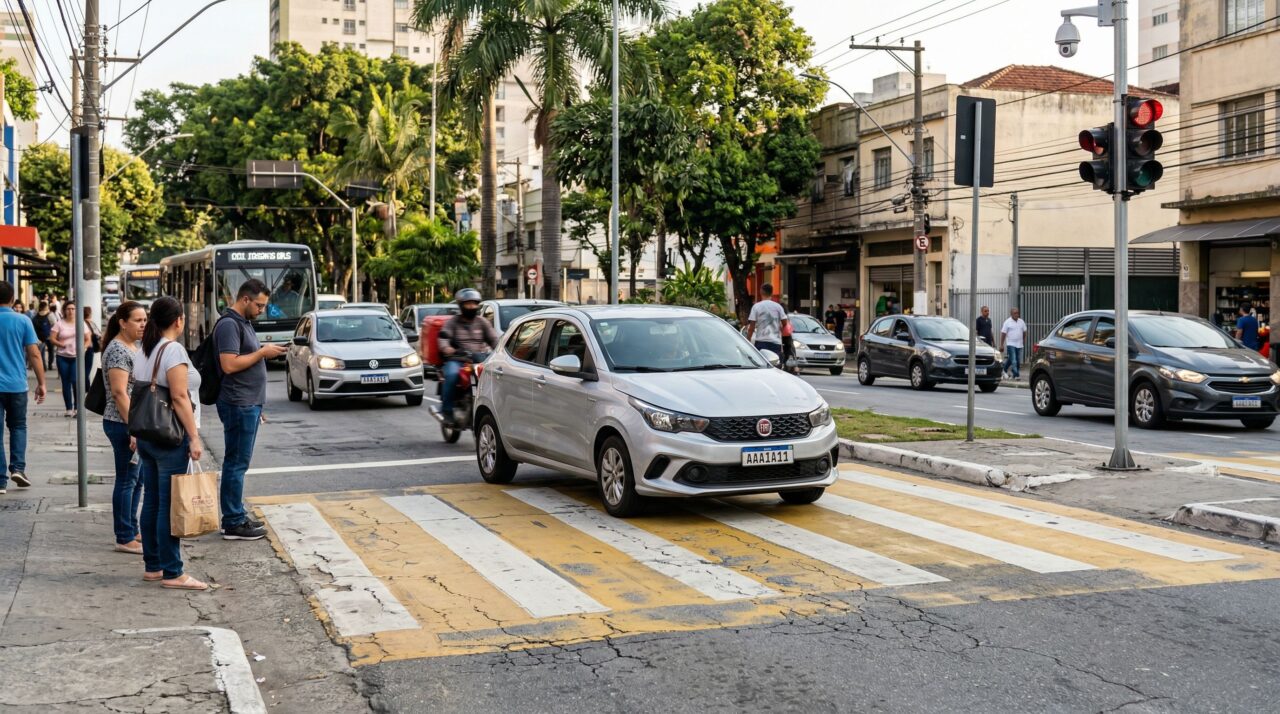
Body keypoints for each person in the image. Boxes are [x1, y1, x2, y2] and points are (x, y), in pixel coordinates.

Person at [133, 296, 208, 591]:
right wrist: (193, 436)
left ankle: (153, 566)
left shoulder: (145, 350)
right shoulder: (172, 350)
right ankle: (173, 571)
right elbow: (178, 397)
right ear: (178, 320)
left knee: (151, 501)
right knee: (168, 505)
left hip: (147, 437)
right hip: (170, 436)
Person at [214, 279, 286, 541]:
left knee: (239, 463)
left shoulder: (243, 323)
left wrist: (258, 404)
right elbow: (229, 365)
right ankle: (232, 522)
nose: (262, 310)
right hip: (238, 403)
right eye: (259, 305)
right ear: (245, 299)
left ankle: (236, 515)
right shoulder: (229, 324)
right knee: (235, 463)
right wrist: (263, 353)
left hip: (248, 403)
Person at [102, 301, 147, 554]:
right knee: (127, 480)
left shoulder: (132, 346)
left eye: (144, 320)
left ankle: (132, 528)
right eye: (138, 320)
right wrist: (134, 429)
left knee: (137, 479)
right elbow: (120, 393)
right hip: (122, 423)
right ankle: (123, 536)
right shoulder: (118, 350)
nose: (143, 324)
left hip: (131, 421)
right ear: (122, 322)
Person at [0, 281, 46, 495]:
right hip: (16, 385)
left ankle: (0, 481)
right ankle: (18, 468)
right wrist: (42, 383)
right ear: (12, 300)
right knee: (18, 426)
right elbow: (34, 353)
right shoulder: (23, 320)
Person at [437, 288, 498, 426]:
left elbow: (494, 340)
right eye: (468, 304)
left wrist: (500, 351)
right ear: (461, 305)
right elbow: (443, 339)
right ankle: (447, 411)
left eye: (474, 303)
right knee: (451, 375)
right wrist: (449, 349)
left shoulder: (482, 322)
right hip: (457, 360)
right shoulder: (452, 322)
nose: (471, 306)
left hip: (478, 360)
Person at [50, 301, 89, 416]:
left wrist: (84, 348)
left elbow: (88, 338)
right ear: (64, 310)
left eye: (73, 309)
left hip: (76, 357)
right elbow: (52, 338)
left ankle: (77, 408)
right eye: (68, 309)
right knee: (65, 382)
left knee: (75, 381)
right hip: (62, 356)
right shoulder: (59, 323)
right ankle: (68, 408)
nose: (70, 311)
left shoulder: (81, 323)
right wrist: (60, 344)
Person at [745, 283, 789, 359]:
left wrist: (747, 342)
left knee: (762, 365)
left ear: (761, 292)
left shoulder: (756, 307)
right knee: (775, 366)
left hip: (761, 342)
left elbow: (751, 328)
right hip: (775, 342)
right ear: (772, 293)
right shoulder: (778, 307)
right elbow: (785, 323)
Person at [1000, 307, 1029, 379]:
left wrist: (1023, 340)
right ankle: (1016, 375)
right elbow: (1003, 333)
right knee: (1014, 360)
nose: (1017, 314)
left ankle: (1004, 369)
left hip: (1019, 344)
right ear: (1011, 314)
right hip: (1011, 344)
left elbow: (1024, 332)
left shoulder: (1021, 321)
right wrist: (1001, 345)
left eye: (1018, 313)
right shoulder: (1007, 322)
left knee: (1016, 360)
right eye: (1015, 313)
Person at [31, 301, 53, 370]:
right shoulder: (50, 315)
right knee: (51, 351)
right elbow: (54, 324)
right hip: (49, 336)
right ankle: (50, 364)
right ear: (46, 307)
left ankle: (44, 366)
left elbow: (33, 327)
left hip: (39, 337)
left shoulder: (35, 316)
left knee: (41, 352)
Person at [83, 305, 102, 384]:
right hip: (89, 347)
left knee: (81, 368)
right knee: (87, 368)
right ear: (90, 313)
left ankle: (83, 386)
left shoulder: (78, 323)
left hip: (78, 348)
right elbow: (99, 335)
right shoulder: (91, 323)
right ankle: (86, 387)